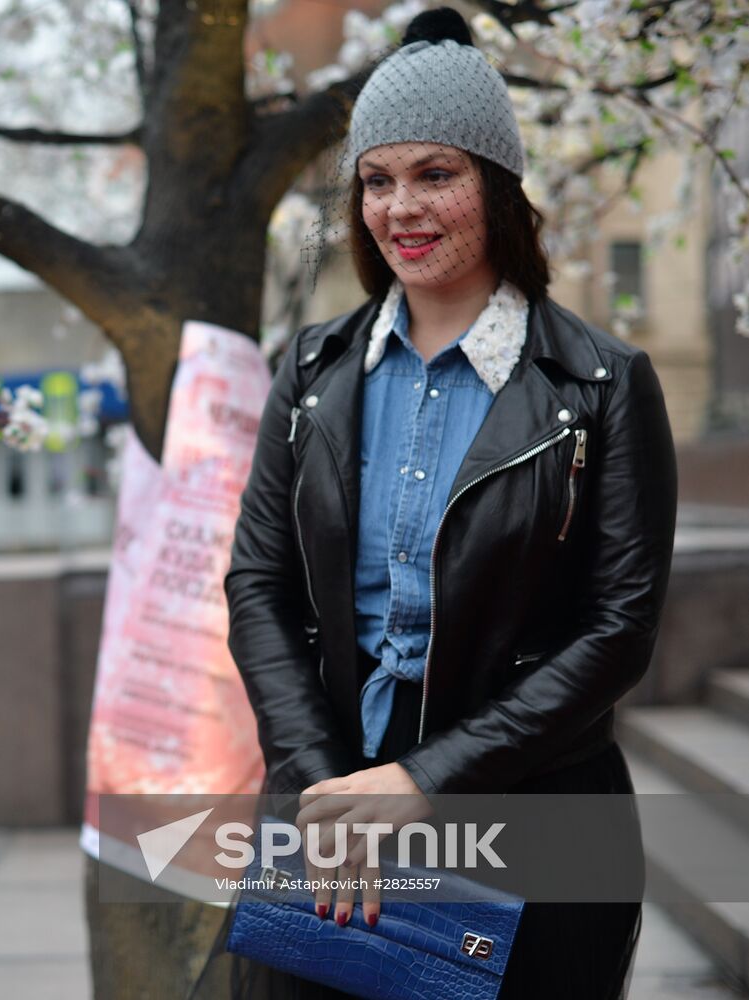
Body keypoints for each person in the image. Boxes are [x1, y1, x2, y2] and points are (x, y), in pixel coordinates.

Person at [220, 7, 677, 999]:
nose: (401, 209)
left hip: (532, 824)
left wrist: (426, 783)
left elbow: (619, 628)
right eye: (377, 181)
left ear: (496, 186)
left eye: (436, 174)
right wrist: (322, 786)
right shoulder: (309, 371)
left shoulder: (597, 384)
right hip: (330, 818)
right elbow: (258, 584)